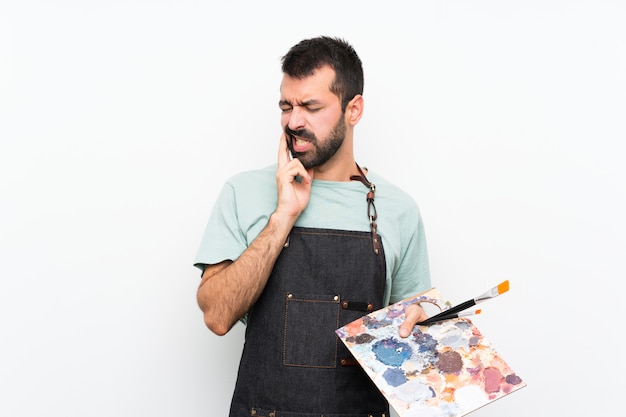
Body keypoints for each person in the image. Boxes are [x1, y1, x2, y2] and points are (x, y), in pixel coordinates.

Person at [194, 36, 431, 417]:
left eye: (310, 106)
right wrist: (283, 215)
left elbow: (413, 346)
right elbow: (217, 317)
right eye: (286, 106)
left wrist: (424, 324)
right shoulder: (243, 192)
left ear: (353, 110)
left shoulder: (399, 210)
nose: (293, 121)